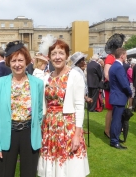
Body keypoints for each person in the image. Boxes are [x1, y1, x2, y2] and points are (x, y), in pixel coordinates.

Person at [37, 38, 89, 177]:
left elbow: (79, 106)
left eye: (61, 53)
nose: (57, 57)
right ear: (49, 57)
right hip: (49, 127)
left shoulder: (74, 75)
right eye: (54, 53)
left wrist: (77, 135)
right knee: (52, 166)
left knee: (69, 168)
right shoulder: (46, 78)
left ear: (67, 56)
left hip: (68, 127)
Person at [0, 41, 43, 177]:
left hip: (29, 135)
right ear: (8, 62)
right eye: (13, 60)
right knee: (5, 173)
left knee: (29, 174)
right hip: (7, 134)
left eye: (20, 60)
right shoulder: (0, 83)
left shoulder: (38, 83)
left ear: (27, 61)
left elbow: (39, 112)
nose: (17, 64)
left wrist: (38, 134)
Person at [109, 48, 132, 149]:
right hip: (119, 97)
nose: (126, 57)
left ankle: (115, 138)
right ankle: (114, 141)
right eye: (126, 55)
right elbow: (124, 83)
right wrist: (130, 93)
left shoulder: (115, 66)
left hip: (117, 96)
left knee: (117, 119)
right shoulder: (118, 67)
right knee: (117, 120)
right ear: (122, 55)